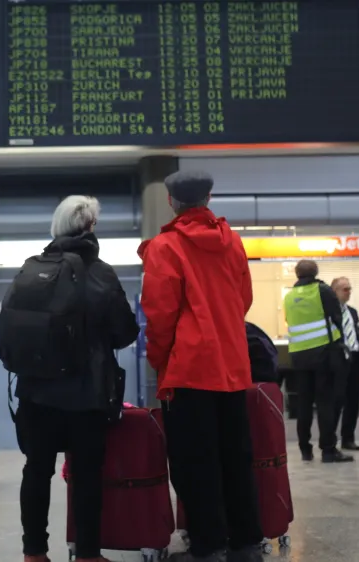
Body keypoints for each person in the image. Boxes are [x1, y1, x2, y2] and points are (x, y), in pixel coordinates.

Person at [139, 170, 264, 562]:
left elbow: (160, 314)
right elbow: (244, 299)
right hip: (232, 366)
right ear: (208, 198)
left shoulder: (164, 247)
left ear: (171, 201)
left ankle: (209, 546)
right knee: (236, 457)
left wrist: (161, 361)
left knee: (196, 462)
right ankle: (246, 543)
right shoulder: (233, 242)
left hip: (189, 370)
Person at [14, 196, 139, 562]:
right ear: (90, 227)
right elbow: (125, 333)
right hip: (86, 395)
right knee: (86, 476)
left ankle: (34, 552)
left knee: (36, 471)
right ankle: (87, 554)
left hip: (35, 394)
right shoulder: (99, 273)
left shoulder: (31, 268)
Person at [284, 260, 353, 464]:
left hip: (299, 357)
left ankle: (305, 449)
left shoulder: (289, 297)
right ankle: (328, 450)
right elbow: (337, 317)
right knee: (325, 403)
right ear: (316, 272)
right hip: (324, 354)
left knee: (303, 404)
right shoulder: (322, 290)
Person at [330, 277, 359, 451]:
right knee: (336, 400)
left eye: (349, 288)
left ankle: (348, 438)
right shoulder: (329, 313)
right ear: (334, 291)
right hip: (338, 360)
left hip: (354, 359)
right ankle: (330, 439)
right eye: (344, 289)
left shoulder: (352, 312)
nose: (348, 292)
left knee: (353, 401)